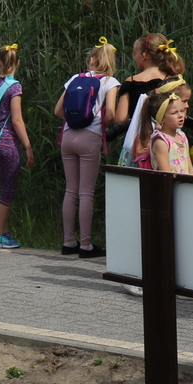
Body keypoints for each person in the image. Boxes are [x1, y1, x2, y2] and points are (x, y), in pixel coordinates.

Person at [56, 38, 120, 257]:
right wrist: (105, 123)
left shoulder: (75, 78)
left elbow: (58, 110)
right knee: (86, 193)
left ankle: (68, 242)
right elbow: (111, 113)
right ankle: (85, 245)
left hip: (67, 137)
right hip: (90, 138)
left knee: (70, 191)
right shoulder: (110, 82)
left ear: (92, 60)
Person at [0, 44, 35, 249]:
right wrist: (28, 146)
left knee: (3, 187)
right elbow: (17, 120)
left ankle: (2, 232)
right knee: (7, 189)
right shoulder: (15, 87)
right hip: (8, 144)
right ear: (18, 63)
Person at [113, 34, 185, 164]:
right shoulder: (172, 81)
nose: (134, 58)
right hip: (167, 140)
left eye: (136, 54)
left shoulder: (131, 82)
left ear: (144, 55)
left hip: (141, 143)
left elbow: (120, 118)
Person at [134, 81, 192, 174]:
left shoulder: (182, 136)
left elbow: (190, 168)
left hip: (184, 187)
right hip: (170, 187)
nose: (180, 115)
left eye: (182, 111)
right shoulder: (161, 141)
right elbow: (166, 174)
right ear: (162, 119)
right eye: (174, 113)